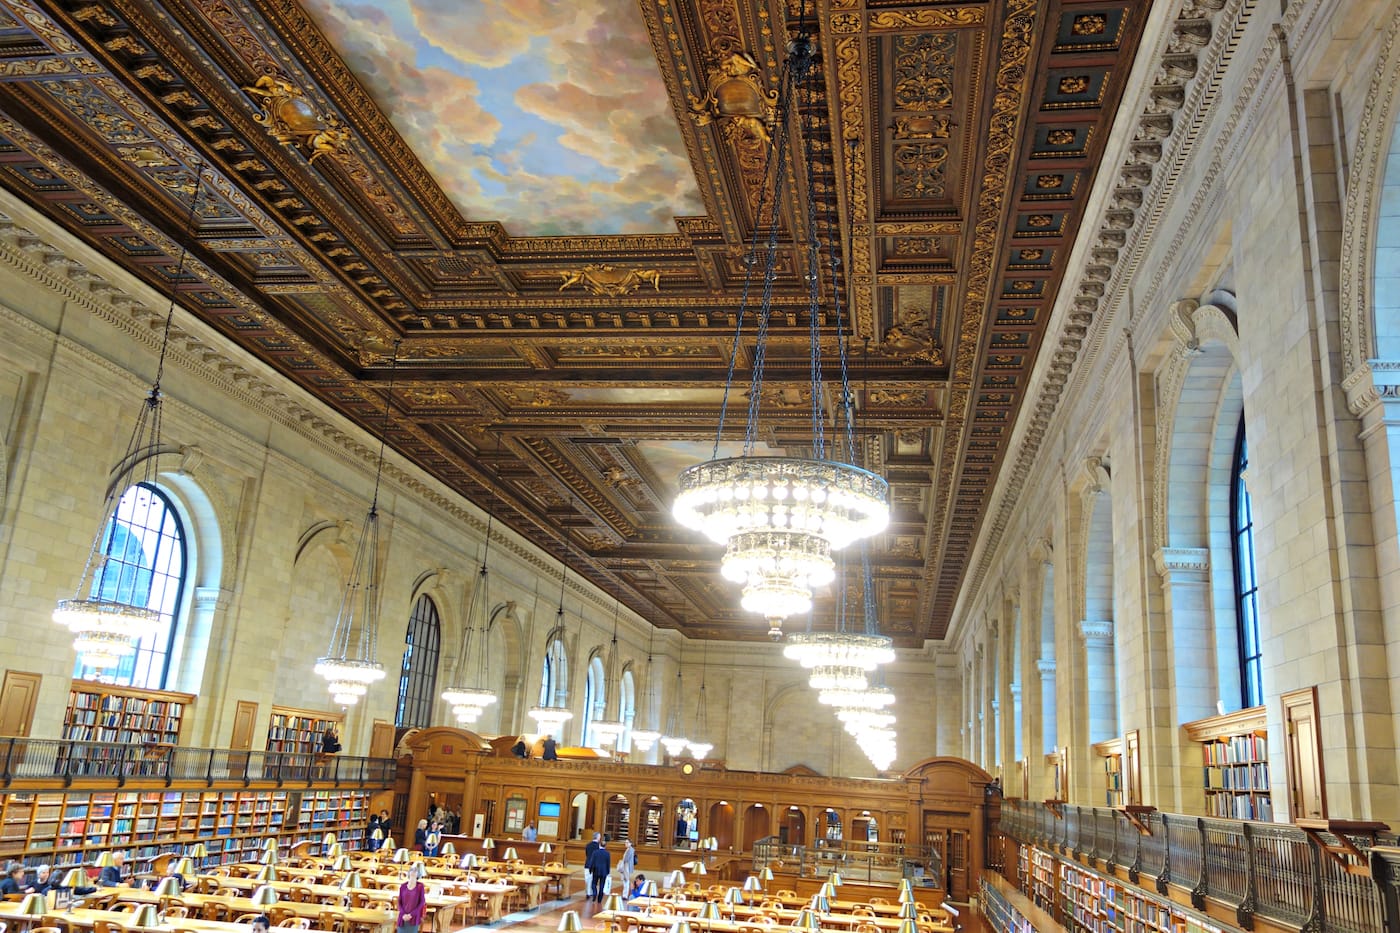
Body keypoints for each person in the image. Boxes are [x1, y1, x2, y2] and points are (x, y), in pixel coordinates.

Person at [396, 862, 427, 933]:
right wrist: (403, 914)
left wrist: (411, 914)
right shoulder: (403, 886)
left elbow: (422, 902)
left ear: (418, 874)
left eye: (415, 871)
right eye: (412, 871)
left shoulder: (420, 886)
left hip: (413, 917)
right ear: (409, 873)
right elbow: (399, 902)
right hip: (403, 917)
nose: (413, 872)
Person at [584, 837, 610, 904]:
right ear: (605, 846)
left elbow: (592, 861)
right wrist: (608, 872)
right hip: (604, 871)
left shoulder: (595, 852)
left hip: (596, 870)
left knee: (594, 884)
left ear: (599, 845)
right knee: (602, 885)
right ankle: (599, 899)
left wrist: (590, 869)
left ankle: (595, 893)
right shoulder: (607, 853)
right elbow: (608, 863)